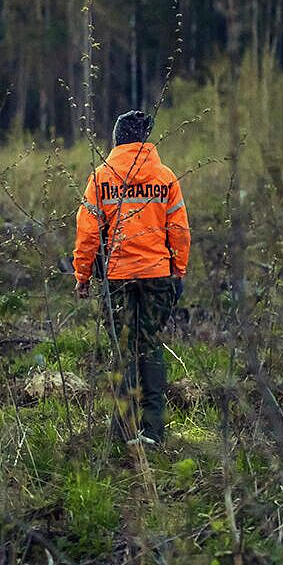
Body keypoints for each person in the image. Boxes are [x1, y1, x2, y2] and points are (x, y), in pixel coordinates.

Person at [73, 110, 190, 447]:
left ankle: (122, 432)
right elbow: (180, 231)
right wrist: (177, 270)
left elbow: (87, 234)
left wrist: (82, 275)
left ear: (117, 139)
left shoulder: (100, 178)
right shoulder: (165, 177)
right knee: (150, 346)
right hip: (157, 275)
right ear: (145, 140)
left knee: (123, 351)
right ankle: (153, 432)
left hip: (117, 278)